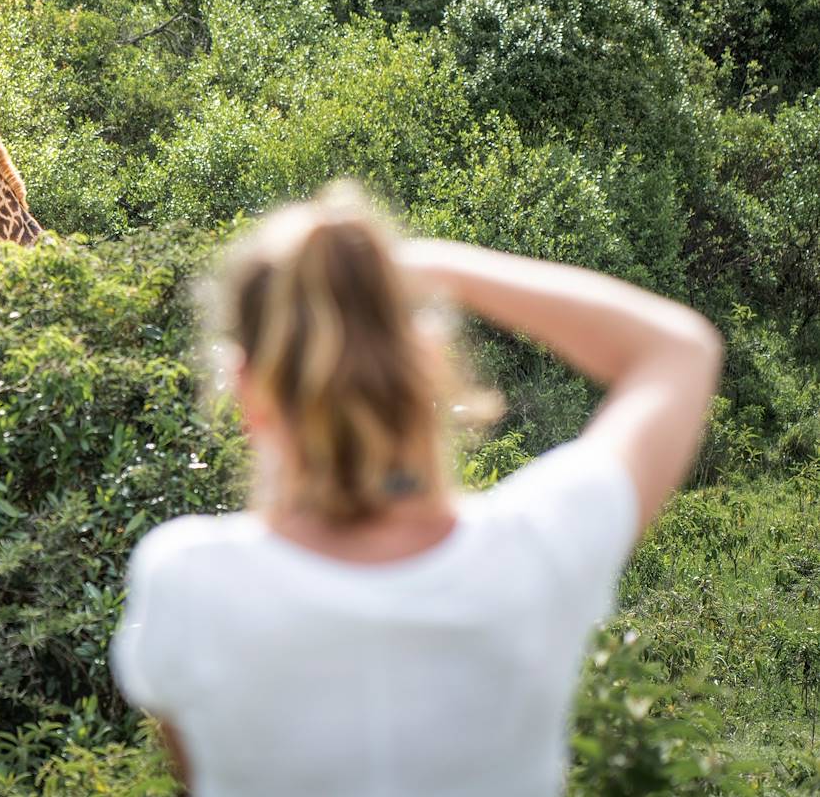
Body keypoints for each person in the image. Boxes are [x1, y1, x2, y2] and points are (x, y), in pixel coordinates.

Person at [110, 183, 723, 796]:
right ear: (427, 360)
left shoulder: (186, 579)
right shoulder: (534, 552)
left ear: (246, 389)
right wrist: (431, 265)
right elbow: (678, 348)